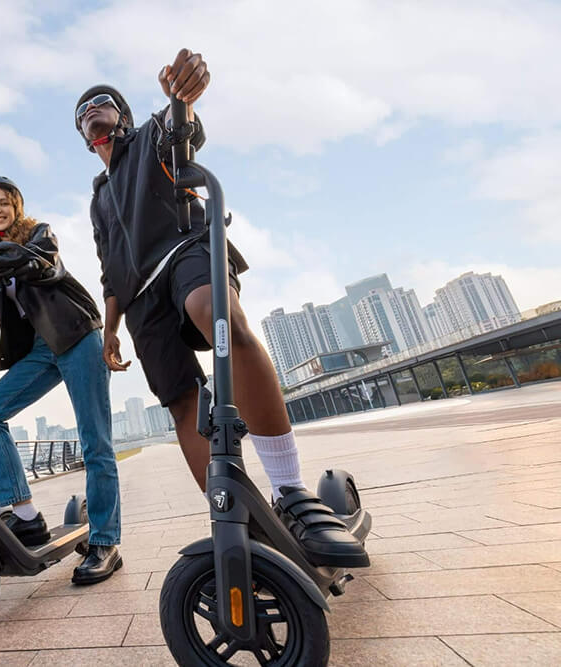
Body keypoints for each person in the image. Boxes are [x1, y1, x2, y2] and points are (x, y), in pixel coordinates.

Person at [76, 49, 367, 566]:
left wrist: (180, 97)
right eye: (82, 113)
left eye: (100, 103)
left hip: (185, 249)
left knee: (218, 315)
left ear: (120, 114)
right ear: (82, 136)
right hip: (139, 299)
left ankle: (290, 491)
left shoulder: (148, 137)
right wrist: (110, 331)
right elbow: (109, 272)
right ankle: (239, 514)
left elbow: (178, 129)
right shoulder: (97, 199)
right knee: (180, 401)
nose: (90, 112)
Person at [0, 176, 122, 584]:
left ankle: (106, 543)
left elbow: (36, 261)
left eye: (4, 203)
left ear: (16, 207)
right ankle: (25, 514)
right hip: (38, 352)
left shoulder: (38, 236)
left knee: (96, 443)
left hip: (75, 337)